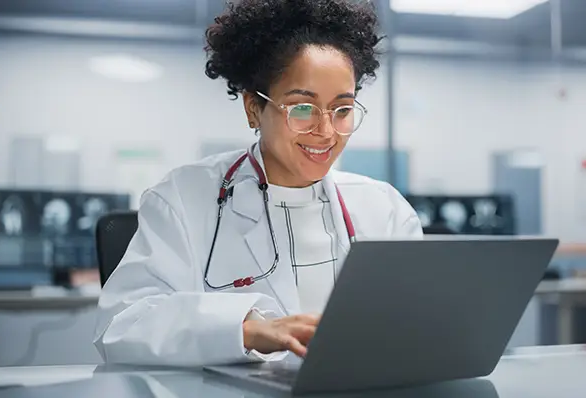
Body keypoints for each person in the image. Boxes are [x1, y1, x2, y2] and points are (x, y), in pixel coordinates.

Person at [93, 0, 422, 367]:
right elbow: (122, 326)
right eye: (302, 109)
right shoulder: (184, 199)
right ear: (253, 108)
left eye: (342, 110)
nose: (326, 131)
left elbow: (421, 324)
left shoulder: (385, 210)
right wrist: (245, 330)